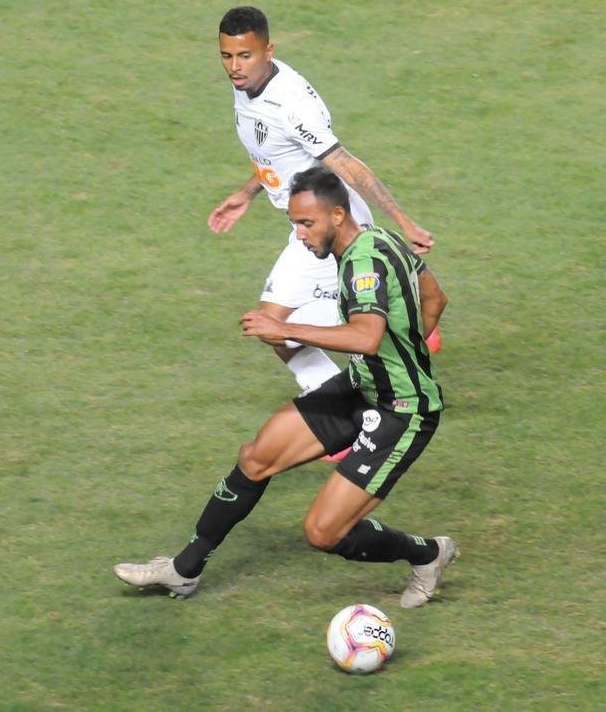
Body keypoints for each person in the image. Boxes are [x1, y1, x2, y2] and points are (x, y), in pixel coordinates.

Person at [115, 167, 456, 608]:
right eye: (295, 223)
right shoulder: (383, 239)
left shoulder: (362, 265)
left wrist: (285, 328)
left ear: (338, 215)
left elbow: (366, 336)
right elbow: (436, 298)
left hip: (403, 411)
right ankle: (184, 570)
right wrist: (408, 349)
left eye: (307, 223)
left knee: (322, 532)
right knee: (256, 457)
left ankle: (428, 554)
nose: (299, 234)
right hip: (362, 386)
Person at [208, 5, 438, 396]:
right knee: (275, 328)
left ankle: (362, 371)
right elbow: (277, 152)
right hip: (306, 219)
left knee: (276, 327)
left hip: (331, 222)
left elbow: (346, 164)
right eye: (227, 56)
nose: (234, 67)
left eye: (245, 56)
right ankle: (350, 384)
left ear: (268, 51)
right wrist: (247, 192)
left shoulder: (292, 106)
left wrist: (403, 220)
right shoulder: (246, 83)